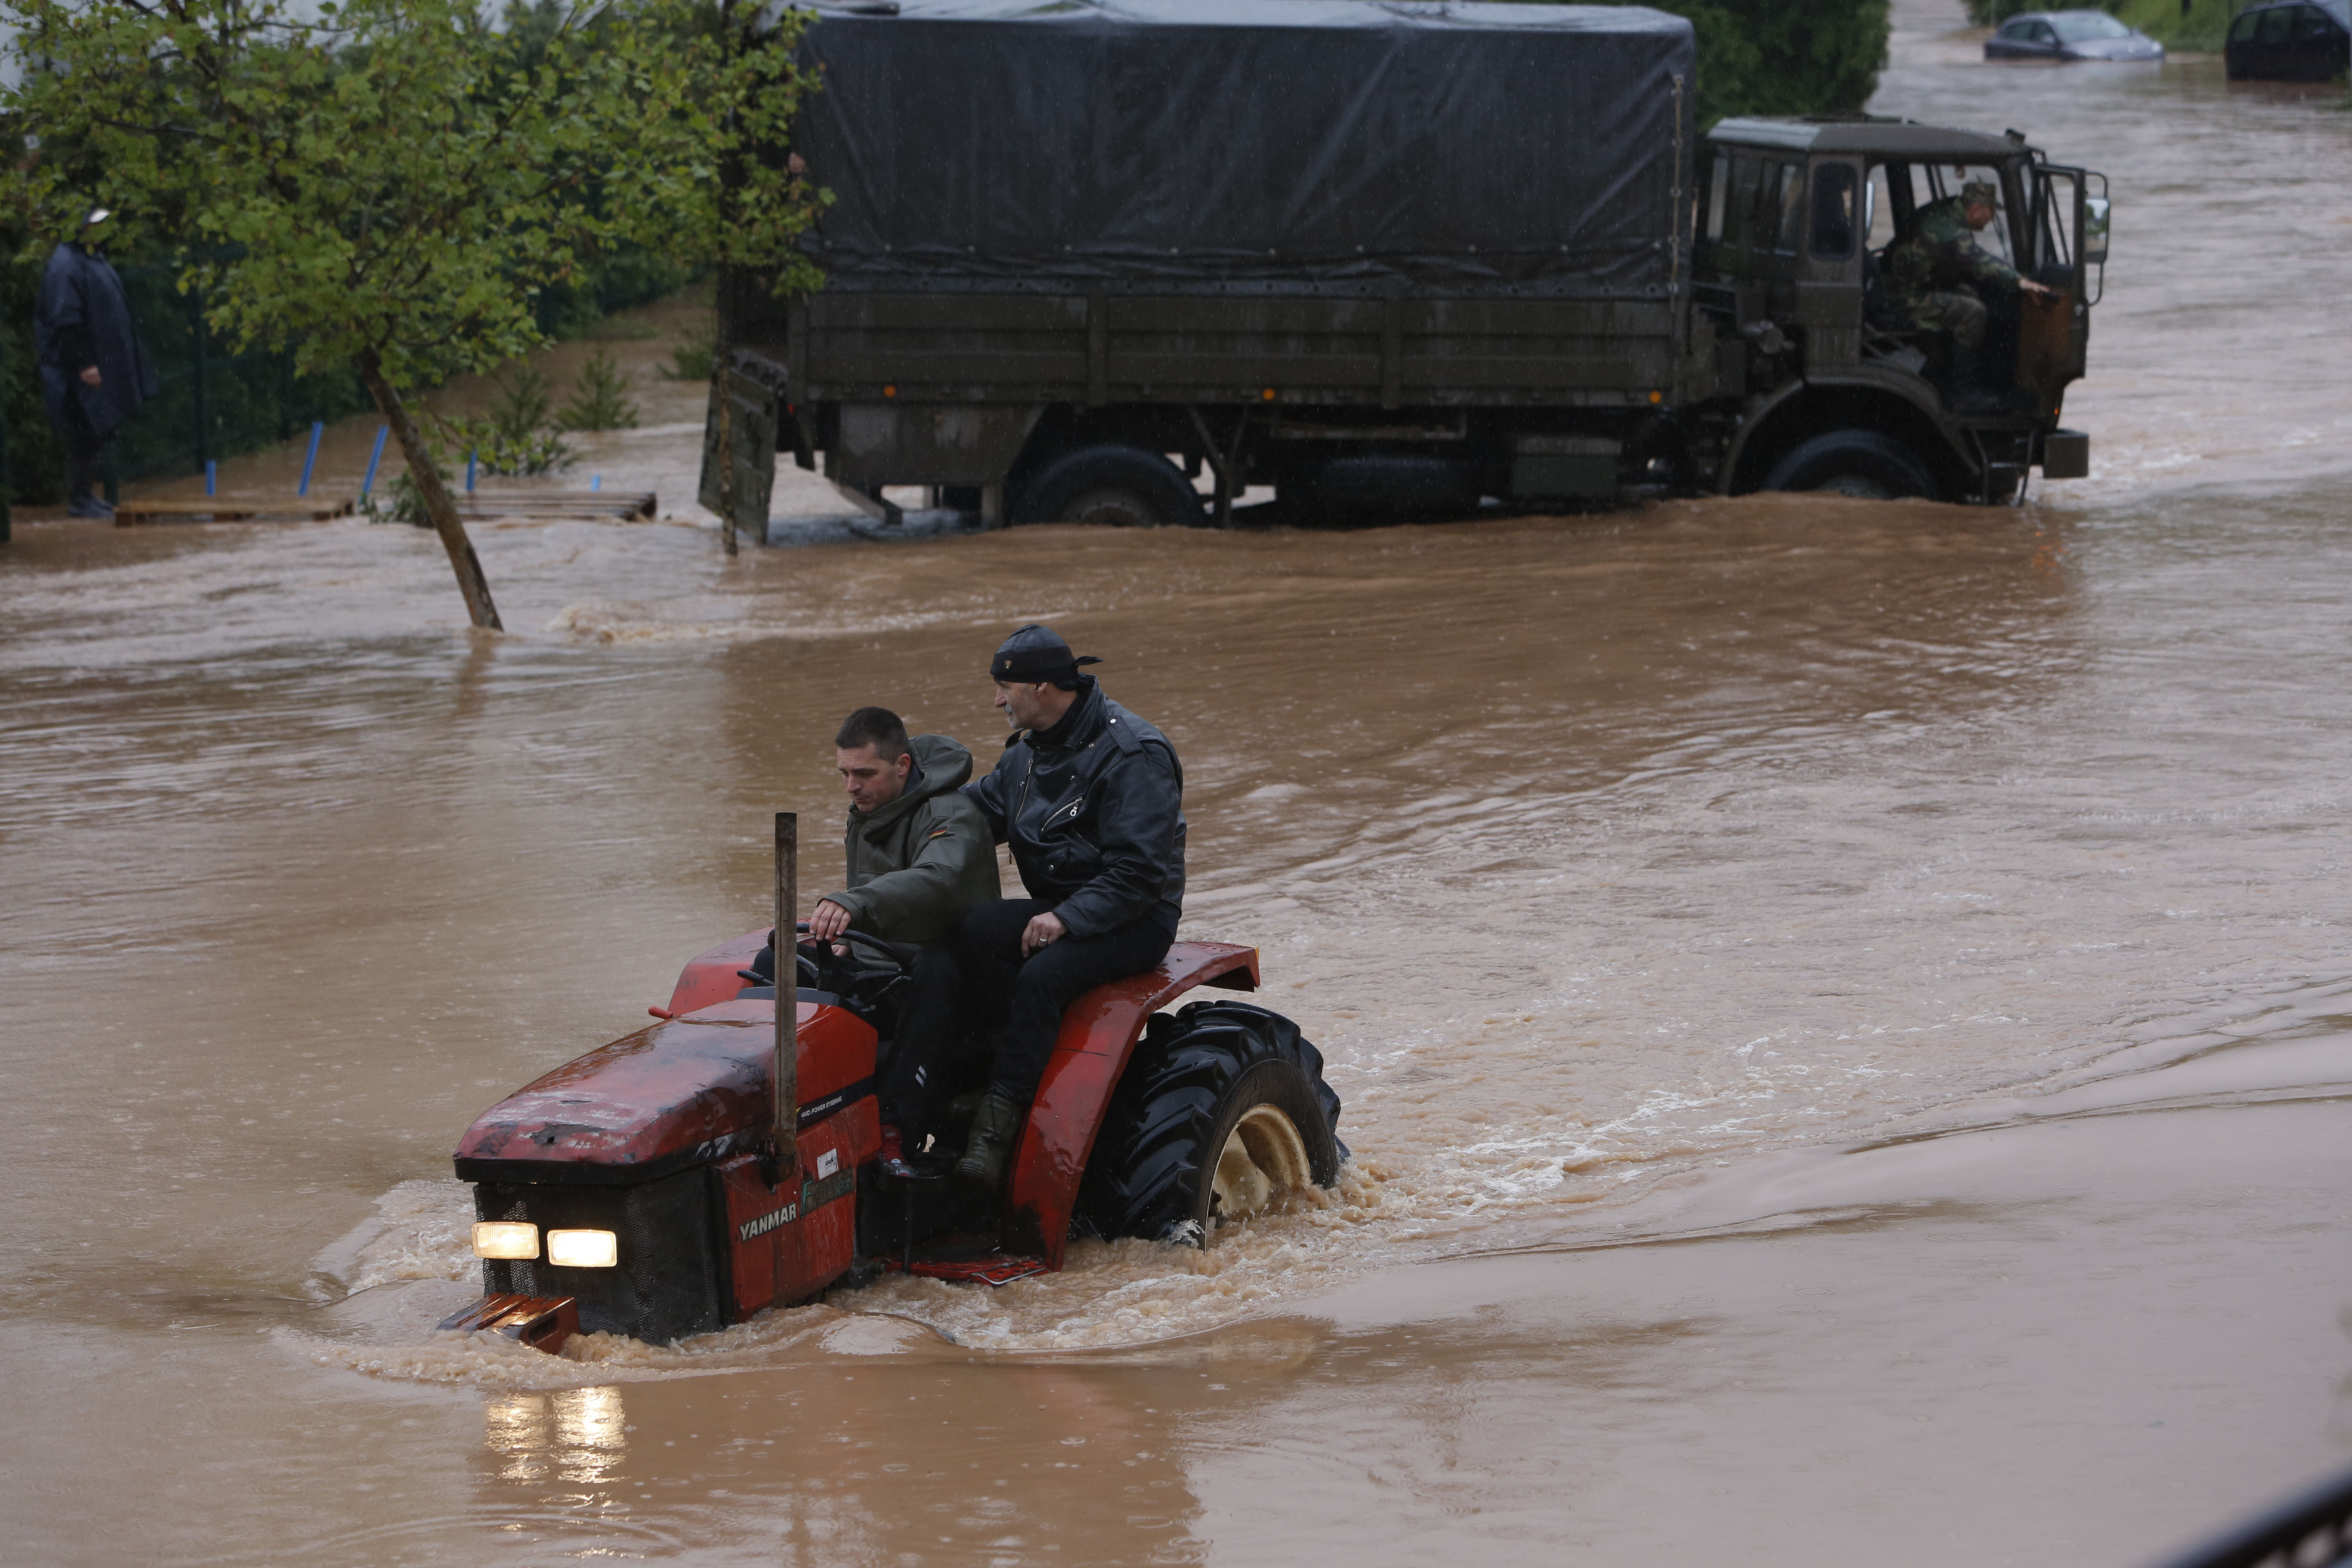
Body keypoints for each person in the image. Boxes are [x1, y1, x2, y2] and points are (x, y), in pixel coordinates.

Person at [949, 624, 1186, 1192]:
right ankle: (981, 1076)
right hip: (1059, 905)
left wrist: (1068, 919)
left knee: (1043, 977)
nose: (997, 701)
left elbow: (1141, 872)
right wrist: (907, 813)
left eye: (1005, 689)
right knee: (973, 931)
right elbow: (977, 810)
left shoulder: (1135, 754)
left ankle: (995, 1134)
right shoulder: (1028, 754)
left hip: (1135, 916)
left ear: (1044, 687)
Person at [804, 707, 998, 1162]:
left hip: (959, 978)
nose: (852, 787)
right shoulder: (869, 811)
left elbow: (938, 880)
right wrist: (846, 938)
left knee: (935, 968)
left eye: (865, 773)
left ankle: (894, 1129)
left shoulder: (951, 814)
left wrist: (854, 906)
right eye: (845, 773)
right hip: (892, 964)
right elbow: (869, 902)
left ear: (903, 766)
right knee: (778, 964)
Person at [1881, 178, 2053, 412]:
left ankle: (1943, 372)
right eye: (1991, 213)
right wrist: (2020, 281)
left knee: (1969, 294)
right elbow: (1978, 260)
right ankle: (1963, 395)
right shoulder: (1950, 230)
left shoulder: (1948, 212)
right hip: (1903, 296)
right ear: (1975, 210)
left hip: (1909, 285)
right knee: (1974, 313)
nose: (1992, 219)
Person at [34, 209, 158, 519]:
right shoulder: (66, 266)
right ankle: (80, 499)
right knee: (85, 433)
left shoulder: (90, 259)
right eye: (95, 225)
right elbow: (67, 322)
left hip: (96, 367)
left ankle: (87, 495)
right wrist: (86, 365)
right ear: (81, 227)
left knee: (96, 433)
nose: (102, 232)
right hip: (77, 373)